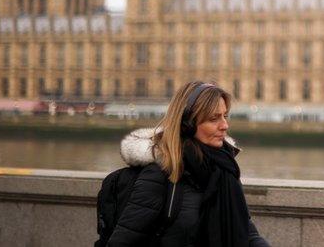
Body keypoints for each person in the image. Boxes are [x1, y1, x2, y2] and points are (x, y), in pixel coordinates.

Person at [106, 81, 270, 246]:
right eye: (214, 119)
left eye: (225, 116)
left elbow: (246, 231)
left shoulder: (224, 169)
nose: (224, 125)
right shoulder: (159, 175)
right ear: (187, 124)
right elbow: (123, 240)